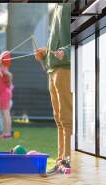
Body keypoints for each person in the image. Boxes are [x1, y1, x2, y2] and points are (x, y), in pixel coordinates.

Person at [34, 4, 72, 174]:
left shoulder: (68, 6)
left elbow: (80, 36)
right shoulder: (57, 7)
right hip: (53, 70)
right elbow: (56, 44)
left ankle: (68, 160)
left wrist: (66, 52)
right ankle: (60, 161)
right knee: (58, 118)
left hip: (64, 68)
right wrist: (45, 55)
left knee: (66, 117)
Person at [0, 65, 14, 139]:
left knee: (6, 114)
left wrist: (9, 83)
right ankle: (5, 134)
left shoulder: (1, 68)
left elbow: (9, 74)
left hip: (4, 94)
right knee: (3, 114)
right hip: (3, 94)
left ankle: (7, 134)